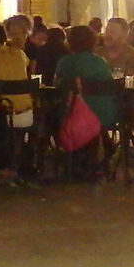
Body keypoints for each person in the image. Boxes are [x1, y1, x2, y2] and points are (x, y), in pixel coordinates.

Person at [54, 22, 120, 169]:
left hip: (75, 115)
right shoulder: (100, 62)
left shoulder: (66, 62)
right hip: (105, 114)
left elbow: (57, 86)